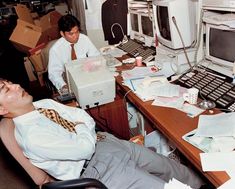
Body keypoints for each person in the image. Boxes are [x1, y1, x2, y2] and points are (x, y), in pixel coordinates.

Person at [0, 79, 204, 189]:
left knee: (171, 167)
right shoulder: (32, 137)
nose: (16, 86)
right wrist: (82, 126)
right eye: (6, 89)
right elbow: (84, 147)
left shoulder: (43, 104)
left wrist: (82, 127)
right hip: (97, 170)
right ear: (2, 110)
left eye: (10, 82)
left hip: (105, 143)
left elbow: (83, 116)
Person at [48, 14, 100, 93]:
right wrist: (63, 85)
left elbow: (96, 57)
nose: (76, 36)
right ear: (62, 34)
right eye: (71, 34)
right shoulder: (56, 49)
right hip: (68, 80)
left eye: (77, 32)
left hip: (86, 75)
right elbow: (54, 73)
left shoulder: (84, 39)